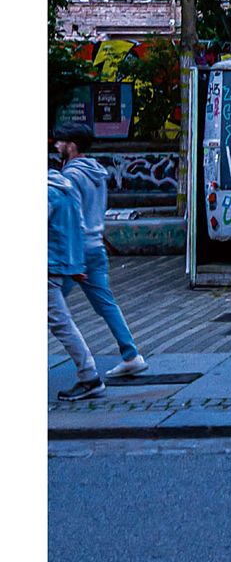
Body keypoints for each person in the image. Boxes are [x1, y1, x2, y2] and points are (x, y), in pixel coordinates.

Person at [53, 124, 147, 377]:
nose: (56, 146)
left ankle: (88, 370)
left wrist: (74, 260)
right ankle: (131, 354)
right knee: (106, 304)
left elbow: (72, 218)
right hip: (95, 246)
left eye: (60, 142)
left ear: (71, 145)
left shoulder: (70, 176)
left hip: (76, 251)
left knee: (50, 306)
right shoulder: (97, 172)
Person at [49, 156, 103, 398]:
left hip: (47, 267)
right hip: (60, 265)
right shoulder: (64, 188)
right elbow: (79, 227)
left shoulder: (47, 194)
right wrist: (77, 263)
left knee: (61, 323)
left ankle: (89, 375)